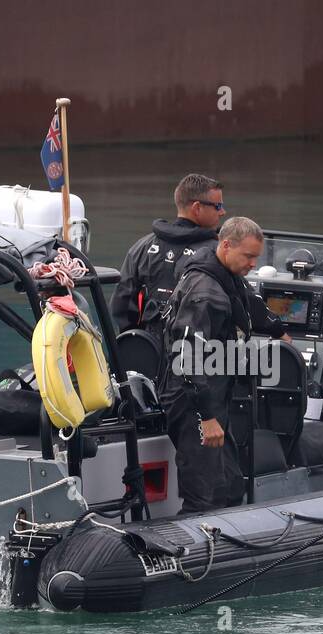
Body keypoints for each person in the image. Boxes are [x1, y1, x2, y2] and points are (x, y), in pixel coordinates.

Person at [159, 217, 276, 513]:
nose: (253, 263)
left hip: (213, 397)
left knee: (231, 484)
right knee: (205, 494)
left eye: (256, 258)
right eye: (248, 256)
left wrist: (280, 331)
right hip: (193, 402)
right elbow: (186, 358)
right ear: (225, 245)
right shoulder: (205, 292)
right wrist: (206, 418)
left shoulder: (226, 276)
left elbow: (252, 307)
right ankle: (187, 552)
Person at [110, 173, 289, 344]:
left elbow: (121, 304)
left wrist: (136, 345)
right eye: (218, 206)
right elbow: (247, 302)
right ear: (197, 208)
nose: (223, 212)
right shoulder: (216, 254)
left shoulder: (141, 247)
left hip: (146, 352)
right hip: (189, 358)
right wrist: (280, 331)